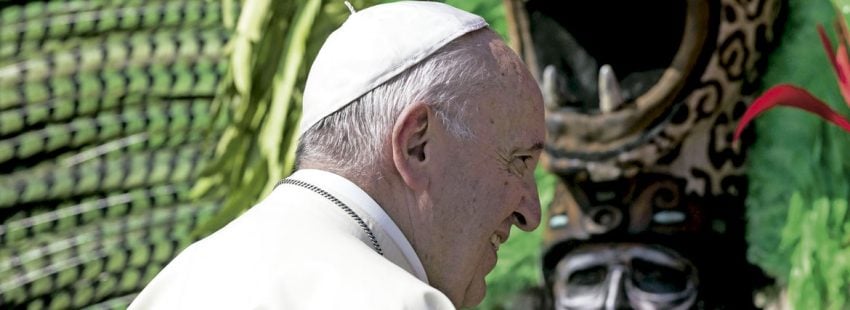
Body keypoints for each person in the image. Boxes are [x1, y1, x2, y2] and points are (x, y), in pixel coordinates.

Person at [129, 1, 545, 309]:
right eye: (519, 160)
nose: (532, 213)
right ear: (417, 146)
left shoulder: (178, 283)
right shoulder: (398, 302)